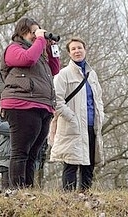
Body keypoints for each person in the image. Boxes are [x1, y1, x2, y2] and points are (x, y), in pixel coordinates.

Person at [0, 17, 60, 189]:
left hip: (42, 106)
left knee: (34, 153)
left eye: (37, 32)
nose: (36, 36)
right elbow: (27, 59)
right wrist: (40, 40)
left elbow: (54, 69)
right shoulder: (13, 49)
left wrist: (51, 46)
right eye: (33, 32)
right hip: (21, 105)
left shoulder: (39, 55)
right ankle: (17, 192)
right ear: (22, 32)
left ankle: (27, 190)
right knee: (20, 152)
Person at [49, 37, 104, 192]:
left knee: (89, 163)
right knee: (71, 163)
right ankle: (68, 198)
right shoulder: (63, 74)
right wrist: (72, 118)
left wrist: (101, 116)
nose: (77, 51)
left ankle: (86, 195)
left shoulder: (92, 75)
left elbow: (98, 98)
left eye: (79, 48)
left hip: (92, 124)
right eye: (73, 49)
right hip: (72, 126)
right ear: (69, 53)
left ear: (85, 50)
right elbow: (56, 101)